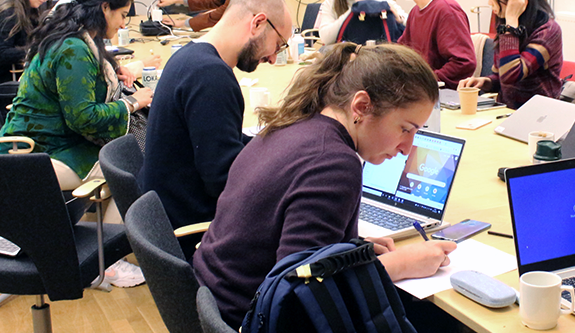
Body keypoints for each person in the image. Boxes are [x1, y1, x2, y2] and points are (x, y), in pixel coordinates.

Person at [192, 42, 457, 329]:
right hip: (247, 317)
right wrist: (401, 264)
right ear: (361, 107)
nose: (407, 149)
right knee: (442, 321)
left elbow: (293, 253)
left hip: (215, 298)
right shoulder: (334, 164)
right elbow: (302, 291)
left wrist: (349, 253)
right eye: (405, 129)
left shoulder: (293, 124)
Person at [141, 0, 293, 258]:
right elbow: (223, 179)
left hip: (170, 219)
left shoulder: (189, 57)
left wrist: (277, 147)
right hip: (195, 236)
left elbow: (223, 145)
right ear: (258, 23)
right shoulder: (211, 77)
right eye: (278, 44)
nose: (272, 57)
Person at [0, 0, 153, 179]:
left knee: (134, 160)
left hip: (51, 138)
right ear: (105, 8)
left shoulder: (76, 35)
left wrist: (112, 69)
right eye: (123, 15)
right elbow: (83, 118)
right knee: (133, 168)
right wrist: (133, 102)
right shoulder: (74, 48)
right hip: (41, 148)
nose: (124, 24)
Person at [457, 0, 563, 108]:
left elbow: (510, 75)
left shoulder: (548, 30)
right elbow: (500, 75)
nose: (489, 2)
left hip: (539, 115)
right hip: (507, 112)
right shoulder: (507, 24)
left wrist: (511, 20)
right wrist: (484, 82)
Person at [396, 0, 475, 89]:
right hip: (422, 93)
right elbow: (402, 52)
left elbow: (464, 62)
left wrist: (426, 80)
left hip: (441, 98)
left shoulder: (447, 11)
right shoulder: (415, 11)